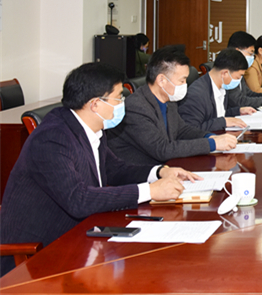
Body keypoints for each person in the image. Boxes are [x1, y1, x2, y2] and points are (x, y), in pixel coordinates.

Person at [0, 63, 197, 275]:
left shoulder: (92, 127)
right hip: (35, 258)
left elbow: (114, 169)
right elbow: (78, 200)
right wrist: (150, 191)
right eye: (119, 98)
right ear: (95, 104)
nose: (123, 104)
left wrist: (159, 172)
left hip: (79, 239)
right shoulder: (52, 138)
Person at [107, 47, 238, 166]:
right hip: (140, 174)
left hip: (166, 167)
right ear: (161, 80)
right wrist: (212, 144)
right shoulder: (136, 107)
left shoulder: (169, 100)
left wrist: (210, 136)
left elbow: (182, 130)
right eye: (182, 80)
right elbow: (162, 149)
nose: (185, 84)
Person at [178, 48, 256, 132]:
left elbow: (217, 114)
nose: (239, 80)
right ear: (224, 73)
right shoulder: (197, 94)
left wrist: (238, 111)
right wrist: (223, 122)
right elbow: (190, 130)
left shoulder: (222, 86)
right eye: (238, 77)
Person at [227, 31, 262, 106]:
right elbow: (238, 101)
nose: (252, 57)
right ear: (237, 51)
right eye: (250, 53)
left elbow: (248, 93)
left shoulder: (238, 69)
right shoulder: (227, 71)